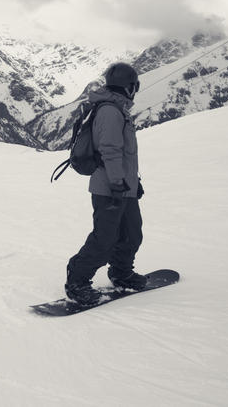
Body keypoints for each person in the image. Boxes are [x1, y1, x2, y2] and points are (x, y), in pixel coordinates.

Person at [64, 62, 147, 306]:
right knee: (105, 238)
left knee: (132, 234)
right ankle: (77, 280)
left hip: (123, 185)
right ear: (129, 86)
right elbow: (110, 151)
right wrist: (118, 183)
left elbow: (125, 155)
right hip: (109, 188)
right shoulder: (111, 111)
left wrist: (134, 182)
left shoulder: (118, 109)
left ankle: (121, 272)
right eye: (135, 86)